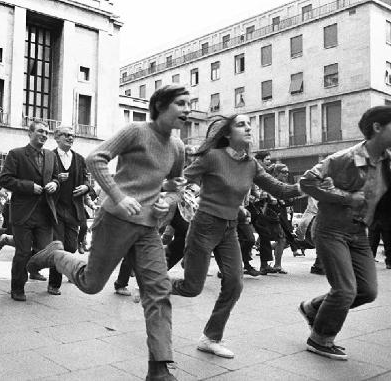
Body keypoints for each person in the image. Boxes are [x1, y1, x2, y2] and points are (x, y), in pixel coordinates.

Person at [27, 85, 190, 381]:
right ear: (161, 106)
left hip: (148, 228)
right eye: (181, 103)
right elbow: (96, 158)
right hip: (115, 219)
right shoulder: (136, 131)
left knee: (158, 292)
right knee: (91, 283)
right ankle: (56, 253)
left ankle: (159, 368)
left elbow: (177, 183)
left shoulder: (178, 147)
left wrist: (170, 199)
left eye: (189, 104)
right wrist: (117, 195)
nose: (187, 109)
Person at [169, 114, 301, 359]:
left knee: (234, 283)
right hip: (204, 226)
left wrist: (308, 184)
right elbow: (180, 180)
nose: (248, 127)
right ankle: (155, 284)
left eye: (250, 124)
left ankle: (210, 338)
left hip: (230, 228)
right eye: (241, 124)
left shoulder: (251, 164)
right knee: (191, 288)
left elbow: (280, 189)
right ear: (228, 134)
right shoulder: (212, 157)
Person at [298, 105, 391, 360]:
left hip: (359, 232)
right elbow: (306, 181)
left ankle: (314, 307)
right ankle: (320, 339)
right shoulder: (344, 158)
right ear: (378, 127)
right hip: (331, 230)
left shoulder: (387, 161)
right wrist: (347, 197)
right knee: (345, 290)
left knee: (368, 291)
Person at [0, 119, 60, 301]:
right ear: (30, 133)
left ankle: (30, 267)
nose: (44, 135)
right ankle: (17, 288)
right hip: (23, 213)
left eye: (46, 133)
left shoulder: (51, 156)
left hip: (45, 213)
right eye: (40, 131)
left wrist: (54, 184)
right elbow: (5, 180)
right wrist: (29, 186)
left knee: (43, 252)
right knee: (23, 252)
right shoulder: (16, 154)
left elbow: (56, 178)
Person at [47, 126, 90, 295]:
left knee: (71, 247)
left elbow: (87, 179)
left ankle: (66, 268)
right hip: (55, 209)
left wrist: (86, 187)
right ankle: (54, 284)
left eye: (72, 136)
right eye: (66, 135)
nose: (70, 138)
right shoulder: (49, 156)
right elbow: (43, 179)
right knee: (58, 246)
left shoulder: (79, 159)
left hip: (73, 209)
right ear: (57, 137)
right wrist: (56, 179)